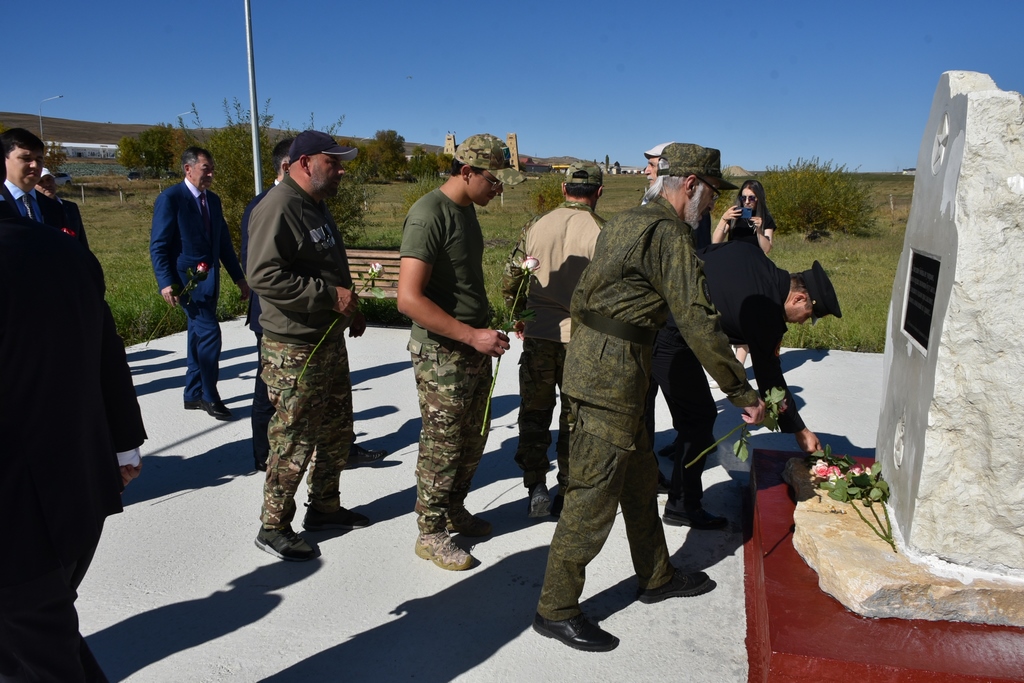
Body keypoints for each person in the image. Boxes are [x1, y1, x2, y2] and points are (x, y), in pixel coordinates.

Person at [533, 143, 765, 652]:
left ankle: (656, 575)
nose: (710, 205)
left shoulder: (626, 220)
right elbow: (697, 318)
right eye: (709, 193)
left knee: (639, 483)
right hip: (609, 378)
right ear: (690, 185)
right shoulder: (669, 234)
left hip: (609, 368)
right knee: (592, 499)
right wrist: (740, 390)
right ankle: (555, 608)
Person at [0, 159, 146, 682]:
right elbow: (106, 350)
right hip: (77, 494)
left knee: (36, 654)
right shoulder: (62, 250)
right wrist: (123, 445)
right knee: (41, 636)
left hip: (16, 520)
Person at [397, 133, 525, 571]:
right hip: (442, 354)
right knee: (443, 443)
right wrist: (471, 337)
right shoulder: (428, 213)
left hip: (471, 347)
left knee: (472, 438)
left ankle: (453, 507)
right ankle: (430, 532)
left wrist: (485, 330)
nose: (499, 188)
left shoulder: (467, 209)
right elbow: (408, 299)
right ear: (466, 172)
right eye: (494, 179)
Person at [247, 130, 370, 562]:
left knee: (337, 430)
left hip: (325, 341)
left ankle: (324, 508)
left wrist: (349, 305)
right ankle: (273, 525)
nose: (340, 171)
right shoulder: (278, 207)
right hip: (293, 348)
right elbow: (262, 276)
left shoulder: (315, 206)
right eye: (332, 163)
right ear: (303, 164)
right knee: (294, 437)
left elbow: (326, 265)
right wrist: (328, 297)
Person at [503, 161, 604, 519]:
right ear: (599, 193)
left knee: (534, 414)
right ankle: (568, 488)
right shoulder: (600, 230)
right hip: (582, 341)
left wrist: (523, 319)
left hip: (539, 337)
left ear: (564, 190)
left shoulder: (536, 225)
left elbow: (511, 281)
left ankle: (535, 487)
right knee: (574, 419)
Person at [150, 146, 249, 421]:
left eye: (212, 169)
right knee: (210, 335)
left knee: (197, 334)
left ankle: (192, 393)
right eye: (206, 169)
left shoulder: (213, 201)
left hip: (211, 282)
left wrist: (239, 278)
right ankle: (209, 395)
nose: (211, 174)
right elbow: (158, 245)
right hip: (187, 283)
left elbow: (224, 244)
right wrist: (166, 282)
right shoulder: (171, 198)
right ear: (188, 169)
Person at [1, 128, 82, 247]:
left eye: (39, 159)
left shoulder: (55, 208)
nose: (35, 165)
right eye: (26, 158)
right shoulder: (2, 202)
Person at [712, 179, 775, 254]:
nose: (747, 202)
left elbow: (766, 249)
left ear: (758, 198)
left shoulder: (765, 218)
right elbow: (715, 242)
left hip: (754, 260)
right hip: (734, 258)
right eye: (743, 198)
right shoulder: (735, 215)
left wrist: (759, 230)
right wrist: (723, 219)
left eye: (751, 198)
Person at [37, 166, 87, 245]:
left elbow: (81, 236)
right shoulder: (35, 209)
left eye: (49, 180)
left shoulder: (70, 207)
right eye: (41, 182)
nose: (47, 184)